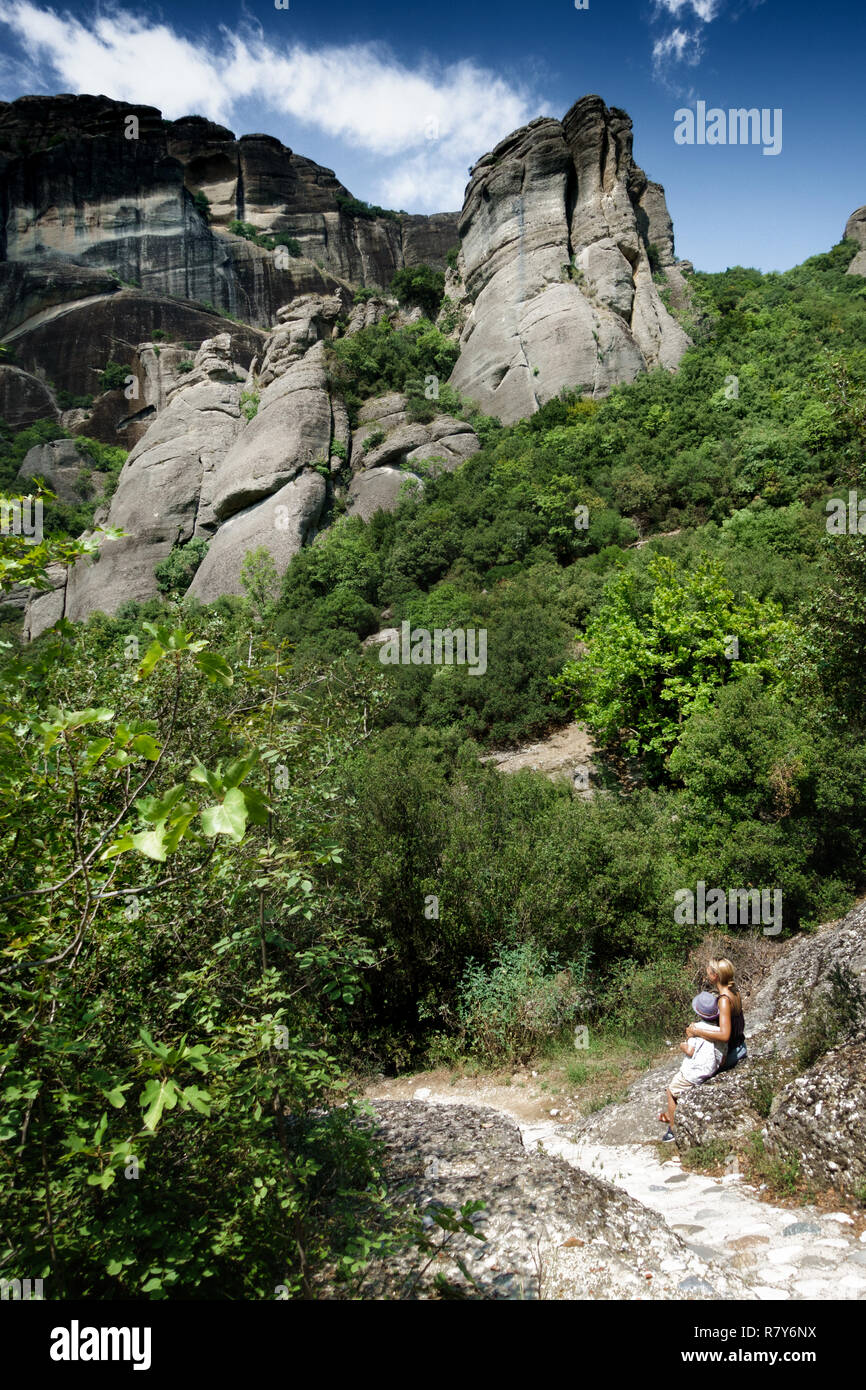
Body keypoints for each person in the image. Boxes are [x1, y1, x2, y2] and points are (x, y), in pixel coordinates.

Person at [657, 992, 727, 1141]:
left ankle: (672, 1129)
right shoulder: (719, 1030)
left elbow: (690, 1050)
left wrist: (683, 1044)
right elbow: (723, 1056)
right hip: (712, 1070)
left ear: (698, 1012)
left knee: (670, 1091)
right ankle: (671, 1115)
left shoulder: (695, 1028)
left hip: (694, 1073)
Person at [687, 957, 747, 1072]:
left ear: (715, 976)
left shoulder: (724, 1000)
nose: (707, 974)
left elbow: (725, 1035)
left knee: (692, 1069)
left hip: (732, 1053)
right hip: (741, 1046)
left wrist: (697, 1032)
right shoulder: (734, 991)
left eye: (708, 972)